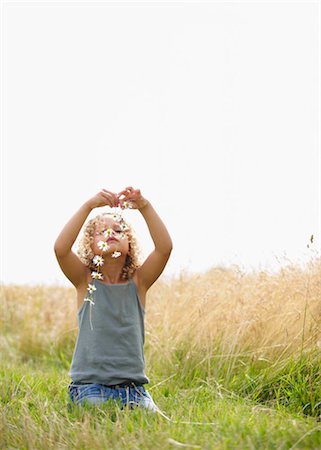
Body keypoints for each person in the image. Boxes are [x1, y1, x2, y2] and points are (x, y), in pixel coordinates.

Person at [54, 186, 173, 411]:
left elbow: (164, 249)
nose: (111, 234)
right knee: (98, 412)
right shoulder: (85, 281)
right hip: (90, 386)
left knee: (147, 418)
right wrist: (89, 205)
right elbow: (61, 249)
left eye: (118, 231)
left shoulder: (139, 282)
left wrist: (145, 207)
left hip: (133, 388)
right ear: (90, 245)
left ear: (129, 246)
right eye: (102, 232)